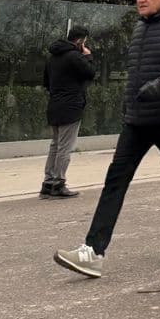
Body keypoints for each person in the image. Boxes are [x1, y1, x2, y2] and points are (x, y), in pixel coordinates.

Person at [54, 0, 160, 278]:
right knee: (115, 180)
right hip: (137, 120)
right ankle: (93, 252)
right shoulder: (139, 28)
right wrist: (129, 104)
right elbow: (136, 72)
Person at [40, 25, 94, 198]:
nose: (84, 45)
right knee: (65, 146)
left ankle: (48, 183)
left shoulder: (52, 57)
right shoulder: (75, 56)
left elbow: (46, 82)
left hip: (55, 104)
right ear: (79, 40)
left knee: (55, 145)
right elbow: (90, 73)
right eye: (84, 42)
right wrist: (88, 56)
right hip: (71, 106)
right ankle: (59, 183)